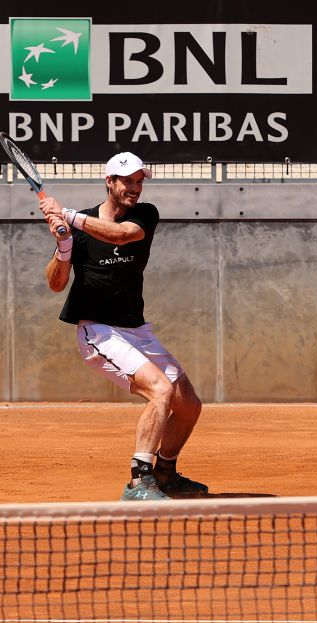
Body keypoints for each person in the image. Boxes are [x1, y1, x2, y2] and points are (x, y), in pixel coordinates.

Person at [38, 152, 208, 502]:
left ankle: (166, 473)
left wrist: (68, 216)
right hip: (98, 330)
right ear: (109, 182)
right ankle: (139, 482)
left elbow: (119, 235)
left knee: (188, 403)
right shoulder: (80, 227)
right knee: (160, 390)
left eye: (139, 180)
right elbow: (56, 284)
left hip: (136, 328)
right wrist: (64, 246)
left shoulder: (144, 215)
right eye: (127, 181)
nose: (135, 187)